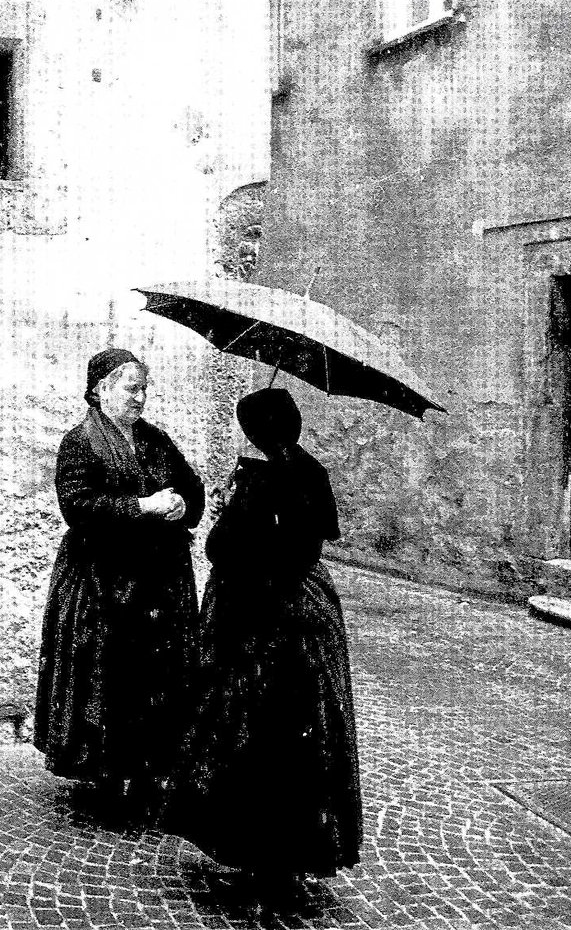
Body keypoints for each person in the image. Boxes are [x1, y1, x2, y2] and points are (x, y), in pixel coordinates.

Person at [166, 387, 362, 908]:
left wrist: (234, 502)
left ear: (256, 430)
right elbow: (317, 536)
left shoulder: (263, 477)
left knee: (257, 734)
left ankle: (263, 864)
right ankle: (292, 861)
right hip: (310, 612)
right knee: (304, 738)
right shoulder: (309, 469)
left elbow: (221, 549)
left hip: (263, 619)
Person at [33, 348, 205, 825]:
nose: (141, 397)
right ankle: (108, 777)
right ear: (101, 389)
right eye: (132, 387)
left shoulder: (154, 439)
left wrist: (181, 507)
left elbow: (190, 484)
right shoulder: (81, 442)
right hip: (102, 581)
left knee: (158, 675)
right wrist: (142, 507)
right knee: (109, 676)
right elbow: (79, 507)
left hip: (159, 580)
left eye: (145, 388)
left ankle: (149, 774)